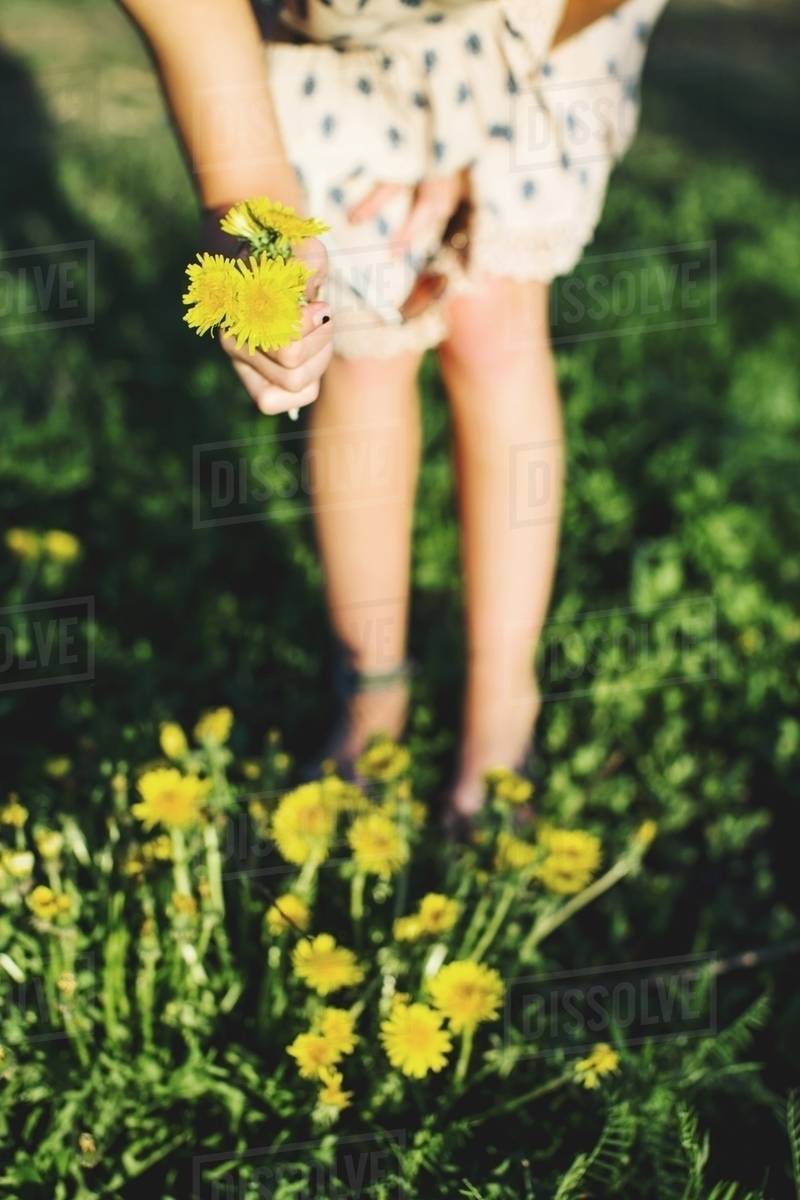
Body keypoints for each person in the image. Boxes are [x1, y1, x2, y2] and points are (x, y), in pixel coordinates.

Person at [121, 0, 667, 824]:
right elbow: (196, 28)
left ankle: (500, 711)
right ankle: (371, 697)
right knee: (363, 324)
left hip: (546, 20)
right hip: (324, 48)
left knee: (495, 313)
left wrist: (466, 125)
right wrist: (251, 240)